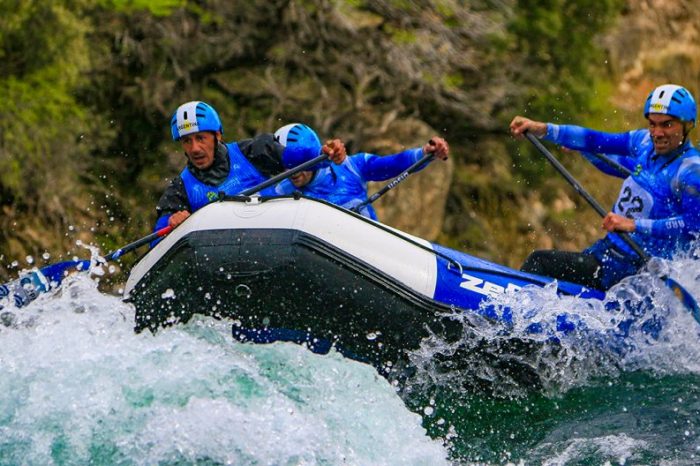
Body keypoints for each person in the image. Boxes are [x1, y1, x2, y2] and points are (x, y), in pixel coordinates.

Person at [510, 84, 700, 290]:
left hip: (635, 271)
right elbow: (597, 141)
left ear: (687, 125)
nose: (657, 133)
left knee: (540, 262)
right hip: (607, 252)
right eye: (652, 124)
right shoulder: (644, 142)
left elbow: (692, 225)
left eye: (667, 125)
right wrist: (544, 130)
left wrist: (634, 225)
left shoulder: (691, 172)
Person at [155, 101, 335, 232]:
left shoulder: (251, 152)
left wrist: (325, 154)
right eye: (187, 141)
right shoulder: (181, 187)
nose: (194, 148)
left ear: (217, 136)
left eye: (200, 138)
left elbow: (296, 158)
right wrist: (172, 222)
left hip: (272, 239)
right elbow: (158, 235)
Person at [273, 123, 450, 219]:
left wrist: (424, 153)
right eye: (288, 163)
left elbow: (392, 163)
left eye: (298, 163)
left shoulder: (352, 167)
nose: (291, 171)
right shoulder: (281, 190)